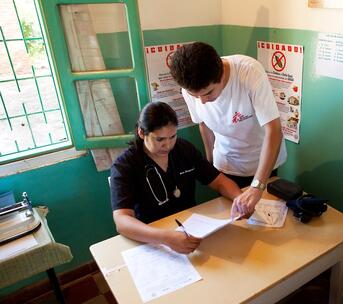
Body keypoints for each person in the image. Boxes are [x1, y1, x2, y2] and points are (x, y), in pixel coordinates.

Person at [170, 42, 287, 218]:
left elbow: (274, 130)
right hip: (226, 165)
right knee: (235, 222)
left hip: (262, 163)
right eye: (196, 96)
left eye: (208, 93)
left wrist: (257, 186)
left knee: (265, 221)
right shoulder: (190, 86)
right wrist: (209, 164)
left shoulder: (249, 72)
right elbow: (204, 125)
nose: (202, 101)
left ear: (221, 74)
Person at [110, 102, 242, 254]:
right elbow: (122, 221)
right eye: (159, 140)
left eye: (172, 137)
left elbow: (219, 181)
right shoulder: (125, 165)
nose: (167, 145)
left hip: (192, 231)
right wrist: (166, 237)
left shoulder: (184, 149)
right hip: (153, 238)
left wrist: (240, 199)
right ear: (141, 133)